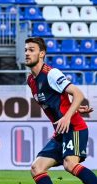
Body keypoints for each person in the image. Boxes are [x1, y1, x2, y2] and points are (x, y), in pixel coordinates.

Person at [25, 37, 97, 184]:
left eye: (31, 50)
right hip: (61, 132)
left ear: (41, 54)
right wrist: (73, 107)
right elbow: (59, 99)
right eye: (26, 50)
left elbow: (78, 94)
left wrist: (68, 116)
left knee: (69, 164)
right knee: (36, 168)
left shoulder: (51, 73)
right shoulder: (31, 80)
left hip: (74, 127)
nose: (27, 53)